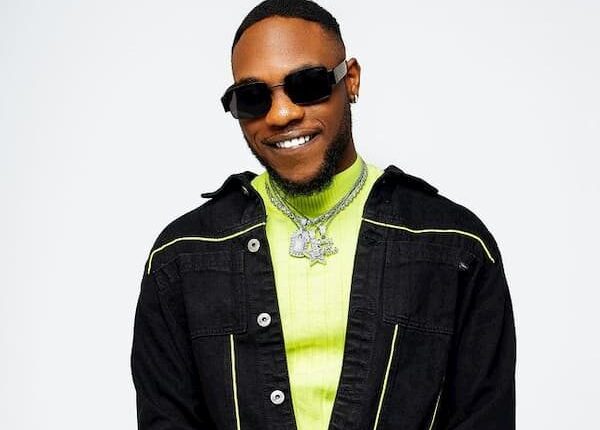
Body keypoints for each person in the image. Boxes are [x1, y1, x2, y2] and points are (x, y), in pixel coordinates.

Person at [130, 0, 516, 429]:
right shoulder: (183, 254)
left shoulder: (454, 244)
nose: (282, 114)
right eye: (253, 97)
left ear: (350, 80)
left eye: (308, 85)